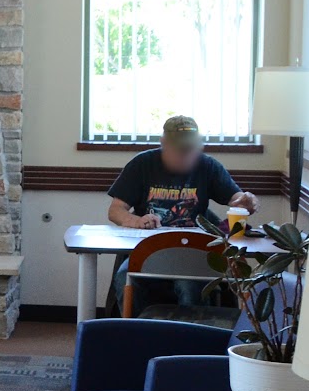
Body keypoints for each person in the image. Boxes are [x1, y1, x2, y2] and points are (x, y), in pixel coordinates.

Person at [104, 114, 259, 311]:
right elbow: (115, 210)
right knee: (124, 278)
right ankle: (140, 328)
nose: (184, 155)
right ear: (163, 143)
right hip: (149, 250)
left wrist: (247, 201)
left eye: (190, 149)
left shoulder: (208, 166)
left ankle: (190, 331)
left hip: (193, 252)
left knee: (190, 285)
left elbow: (237, 199)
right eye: (178, 149)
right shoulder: (142, 164)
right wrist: (137, 221)